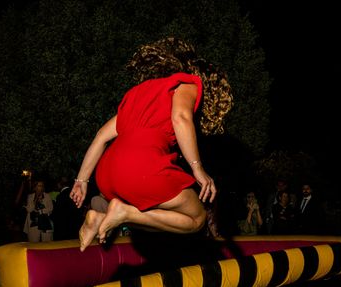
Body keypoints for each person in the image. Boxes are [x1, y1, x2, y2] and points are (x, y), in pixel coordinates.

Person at [70, 37, 233, 251]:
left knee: (151, 213)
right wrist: (197, 168)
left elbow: (102, 135)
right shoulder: (187, 83)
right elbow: (181, 117)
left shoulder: (140, 91)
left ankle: (101, 218)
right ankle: (124, 213)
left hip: (107, 173)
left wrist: (81, 180)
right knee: (197, 218)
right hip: (143, 169)